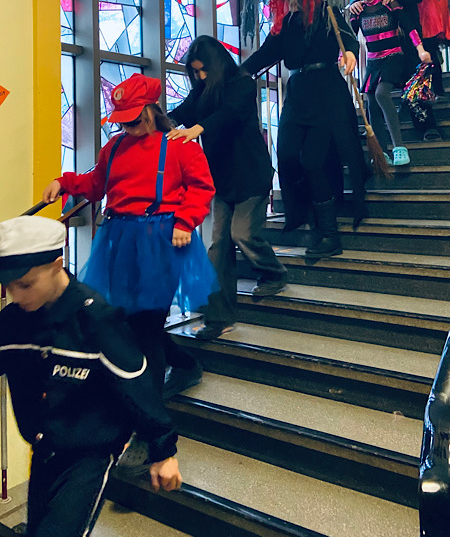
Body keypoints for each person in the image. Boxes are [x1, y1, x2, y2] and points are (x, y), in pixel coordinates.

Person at [0, 215, 181, 537]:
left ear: (56, 265)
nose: (17, 296)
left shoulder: (96, 319)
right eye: (8, 286)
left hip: (89, 454)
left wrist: (163, 450)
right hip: (44, 448)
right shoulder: (14, 321)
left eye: (25, 284)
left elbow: (135, 384)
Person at [42, 74, 217, 399]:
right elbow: (96, 184)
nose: (128, 127)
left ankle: (149, 405)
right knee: (128, 318)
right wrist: (64, 183)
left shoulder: (179, 146)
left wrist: (185, 221)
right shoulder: (114, 147)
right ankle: (183, 364)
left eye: (134, 120)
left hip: (162, 240)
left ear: (151, 111)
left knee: (148, 321)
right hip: (119, 241)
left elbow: (201, 187)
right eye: (123, 121)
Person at [240, 0, 367, 259]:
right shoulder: (285, 23)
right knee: (287, 154)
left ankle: (330, 234)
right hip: (298, 93)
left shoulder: (326, 11)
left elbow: (347, 38)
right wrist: (233, 74)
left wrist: (350, 54)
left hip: (327, 93)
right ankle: (307, 214)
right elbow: (264, 55)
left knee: (312, 160)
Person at [167, 35, 287, 341]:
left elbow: (230, 113)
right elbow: (182, 112)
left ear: (217, 63)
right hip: (221, 178)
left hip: (251, 174)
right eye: (195, 72)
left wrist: (198, 128)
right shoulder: (201, 90)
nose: (200, 76)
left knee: (242, 234)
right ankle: (219, 318)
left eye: (203, 69)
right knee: (218, 246)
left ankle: (273, 272)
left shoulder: (242, 83)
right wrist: (158, 122)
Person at [348, 0, 441, 141]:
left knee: (414, 79)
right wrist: (355, 4)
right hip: (383, 34)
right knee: (378, 89)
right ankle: (379, 130)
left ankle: (426, 125)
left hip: (408, 29)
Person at [350, 0, 431, 166]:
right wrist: (345, 55)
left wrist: (420, 49)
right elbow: (350, 37)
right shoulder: (358, 11)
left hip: (393, 57)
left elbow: (408, 26)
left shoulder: (389, 4)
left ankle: (399, 147)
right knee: (370, 101)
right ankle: (382, 151)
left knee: (381, 94)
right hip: (373, 61)